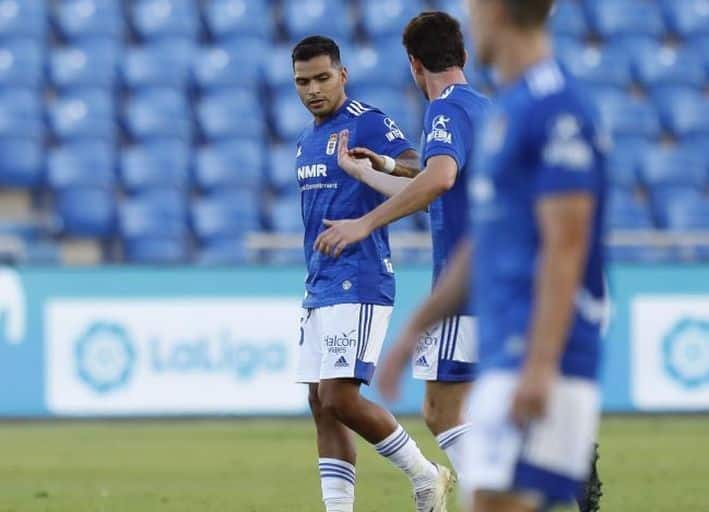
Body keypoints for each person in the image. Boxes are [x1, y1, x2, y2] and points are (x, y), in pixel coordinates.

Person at [378, 0, 609, 510]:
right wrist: (416, 325)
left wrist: (541, 364)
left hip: (537, 337)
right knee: (490, 490)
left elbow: (565, 245)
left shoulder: (553, 107)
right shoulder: (502, 108)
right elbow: (489, 235)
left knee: (448, 419)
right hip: (499, 315)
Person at [313, 11, 488, 485]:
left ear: (413, 64)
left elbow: (440, 177)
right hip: (501, 277)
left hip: (464, 282)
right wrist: (373, 172)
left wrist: (363, 223)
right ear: (464, 55)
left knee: (441, 411)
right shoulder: (482, 108)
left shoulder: (445, 108)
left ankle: (506, 494)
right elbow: (436, 182)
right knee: (467, 406)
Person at [291, 35, 453, 512]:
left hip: (359, 277)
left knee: (339, 397)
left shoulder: (366, 121)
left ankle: (426, 476)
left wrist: (380, 161)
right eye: (303, 82)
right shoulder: (306, 141)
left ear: (342, 75)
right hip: (319, 282)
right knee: (321, 404)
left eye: (322, 78)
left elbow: (418, 167)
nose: (313, 89)